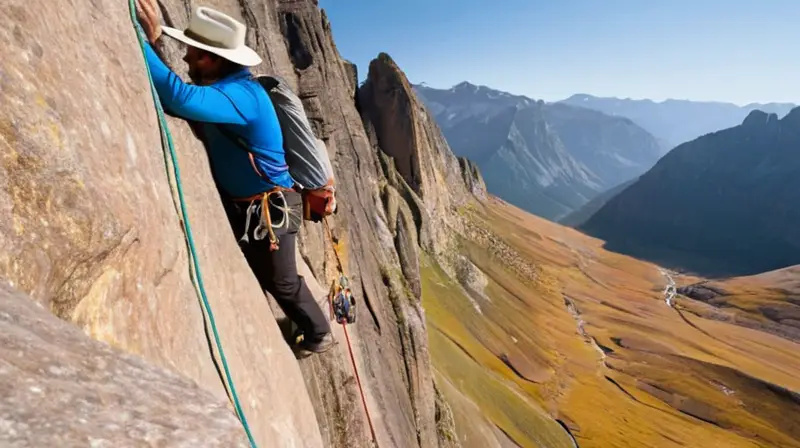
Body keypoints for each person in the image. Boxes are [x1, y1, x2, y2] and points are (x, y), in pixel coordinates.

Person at [135, 1, 334, 357]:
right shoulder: (231, 89)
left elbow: (181, 98)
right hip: (251, 206)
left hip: (270, 211)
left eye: (193, 54)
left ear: (212, 60)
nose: (185, 60)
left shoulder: (243, 96)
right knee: (265, 274)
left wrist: (143, 42)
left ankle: (319, 334)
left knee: (283, 282)